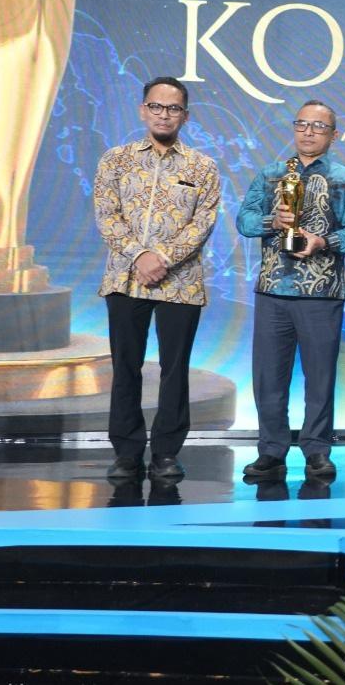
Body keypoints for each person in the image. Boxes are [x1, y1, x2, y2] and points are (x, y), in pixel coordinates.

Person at [93, 76, 221, 482]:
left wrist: (162, 258)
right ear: (142, 110)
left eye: (173, 108)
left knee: (174, 369)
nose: (164, 114)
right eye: (156, 106)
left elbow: (203, 223)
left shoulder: (202, 166)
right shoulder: (115, 160)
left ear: (186, 115)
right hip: (125, 277)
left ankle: (166, 452)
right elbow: (107, 215)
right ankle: (127, 452)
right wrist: (140, 255)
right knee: (125, 366)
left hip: (181, 282)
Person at [238, 102, 345, 483]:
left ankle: (317, 450)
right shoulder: (271, 175)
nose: (309, 132)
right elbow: (244, 220)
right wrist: (273, 220)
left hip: (321, 292)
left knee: (320, 377)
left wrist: (323, 241)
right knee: (268, 376)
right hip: (273, 289)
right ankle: (271, 451)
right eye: (302, 124)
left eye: (319, 126)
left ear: (334, 134)